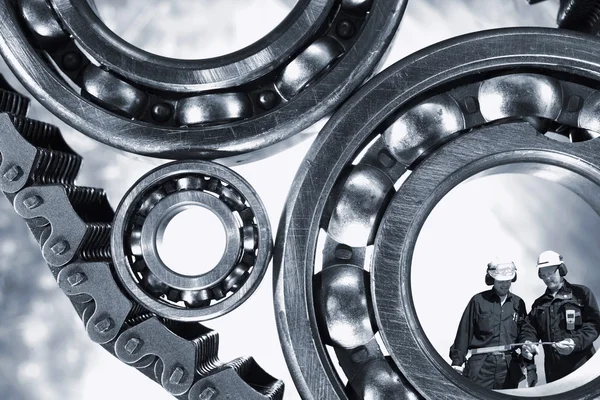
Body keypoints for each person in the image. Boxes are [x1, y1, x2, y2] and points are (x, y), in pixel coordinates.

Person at [450, 259, 536, 389]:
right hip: (481, 368)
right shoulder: (478, 301)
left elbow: (524, 331)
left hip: (508, 369)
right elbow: (464, 332)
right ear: (492, 279)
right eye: (501, 281)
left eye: (508, 280)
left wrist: (528, 348)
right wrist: (457, 362)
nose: (505, 285)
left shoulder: (518, 303)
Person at [520, 250, 600, 383]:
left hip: (583, 369)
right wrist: (528, 344)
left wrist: (575, 342)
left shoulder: (581, 294)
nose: (547, 278)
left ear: (561, 270)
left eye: (550, 273)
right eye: (543, 275)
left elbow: (594, 325)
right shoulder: (539, 305)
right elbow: (529, 329)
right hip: (555, 375)